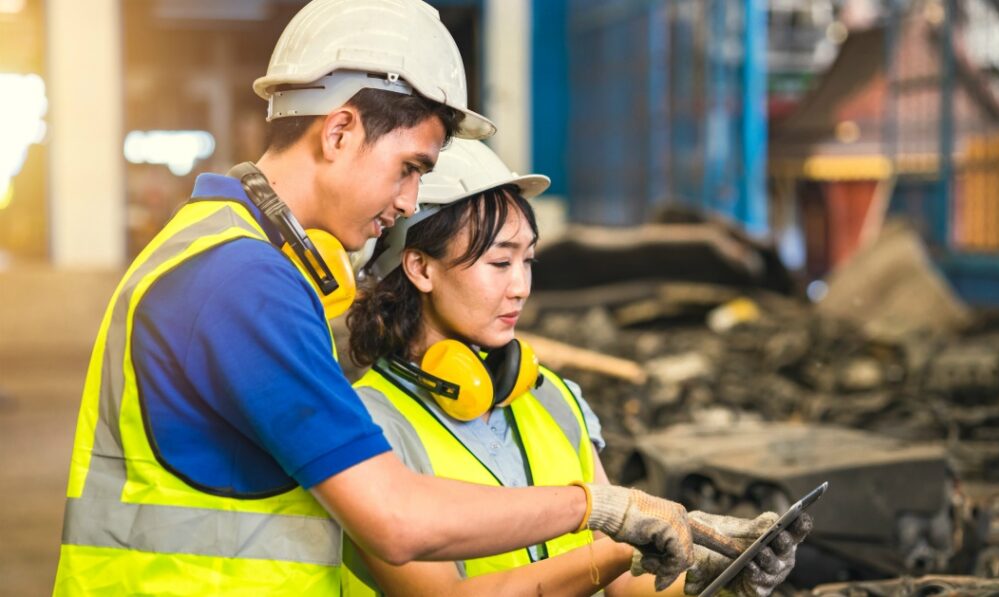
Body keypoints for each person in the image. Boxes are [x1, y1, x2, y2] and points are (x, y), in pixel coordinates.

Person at [51, 1, 695, 595]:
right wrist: (603, 510)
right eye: (411, 167)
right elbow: (394, 519)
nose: (412, 200)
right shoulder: (241, 281)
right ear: (339, 132)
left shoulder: (235, 257)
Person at [344, 138, 813, 596]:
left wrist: (716, 576)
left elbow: (628, 584)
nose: (521, 287)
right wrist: (614, 554)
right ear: (421, 268)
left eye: (527, 261)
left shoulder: (550, 397)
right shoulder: (363, 426)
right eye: (501, 262)